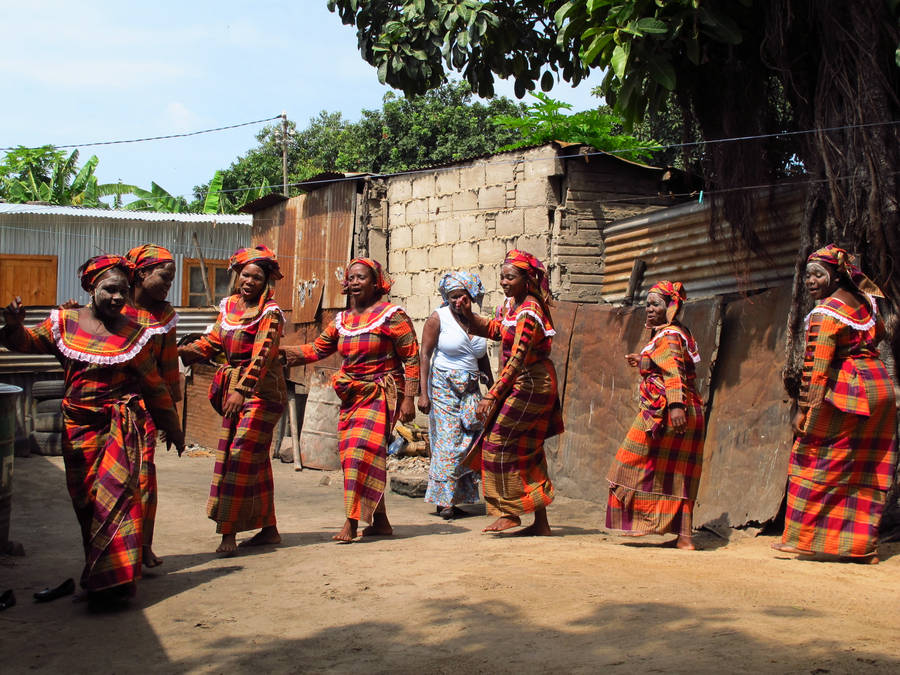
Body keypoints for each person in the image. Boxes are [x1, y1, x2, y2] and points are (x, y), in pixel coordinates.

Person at [0, 255, 184, 609]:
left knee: (114, 500)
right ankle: (97, 573)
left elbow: (154, 384)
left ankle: (113, 585)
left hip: (120, 426)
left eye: (124, 292)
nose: (118, 298)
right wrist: (12, 327)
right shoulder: (63, 323)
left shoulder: (135, 333)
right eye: (110, 290)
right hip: (77, 429)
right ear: (91, 288)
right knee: (86, 504)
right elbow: (23, 342)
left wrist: (173, 428)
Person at [774, 244, 897, 563]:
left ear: (837, 275)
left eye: (818, 274)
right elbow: (880, 335)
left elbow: (817, 366)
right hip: (879, 386)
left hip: (847, 391)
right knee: (864, 464)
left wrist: (804, 408)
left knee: (812, 456)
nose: (810, 281)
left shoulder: (825, 313)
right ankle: (862, 547)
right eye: (808, 275)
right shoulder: (866, 303)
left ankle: (802, 538)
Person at [282, 258, 419, 542]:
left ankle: (352, 521)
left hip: (382, 392)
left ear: (376, 282)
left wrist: (409, 400)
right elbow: (316, 349)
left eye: (361, 278)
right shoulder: (342, 321)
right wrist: (280, 353)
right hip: (352, 394)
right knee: (352, 455)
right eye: (351, 278)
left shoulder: (391, 315)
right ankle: (380, 520)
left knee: (359, 451)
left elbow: (412, 358)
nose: (355, 283)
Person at [178, 245, 287, 555]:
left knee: (237, 456)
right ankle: (269, 529)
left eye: (255, 277)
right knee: (255, 457)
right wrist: (181, 351)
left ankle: (228, 532)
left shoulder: (270, 313)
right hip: (234, 389)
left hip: (262, 393)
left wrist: (242, 390)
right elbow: (213, 342)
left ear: (266, 282)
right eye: (244, 276)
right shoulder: (228, 309)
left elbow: (263, 355)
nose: (248, 282)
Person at [457, 249, 563, 536]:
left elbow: (517, 357)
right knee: (528, 448)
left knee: (496, 443)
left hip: (531, 383)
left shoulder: (530, 311)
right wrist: (469, 315)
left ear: (526, 280)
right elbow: (497, 331)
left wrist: (492, 395)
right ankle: (540, 523)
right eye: (502, 276)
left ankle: (510, 512)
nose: (504, 282)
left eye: (510, 277)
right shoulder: (511, 305)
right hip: (521, 381)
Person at [605, 281, 705, 550]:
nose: (649, 309)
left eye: (656, 304)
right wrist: (644, 361)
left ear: (671, 307)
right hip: (685, 407)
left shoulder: (669, 335)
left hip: (666, 411)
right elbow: (672, 364)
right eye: (648, 304)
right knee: (678, 472)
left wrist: (675, 407)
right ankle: (684, 537)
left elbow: (674, 373)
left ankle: (645, 522)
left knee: (627, 462)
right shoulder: (675, 334)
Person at [417, 271, 493, 519]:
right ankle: (444, 502)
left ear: (471, 296)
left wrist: (491, 386)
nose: (457, 302)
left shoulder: (480, 321)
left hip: (471, 389)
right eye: (452, 298)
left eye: (461, 297)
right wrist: (423, 393)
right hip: (443, 386)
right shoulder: (438, 319)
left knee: (471, 439)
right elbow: (425, 355)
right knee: (448, 442)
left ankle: (462, 497)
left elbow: (482, 358)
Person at [123, 244, 179, 568]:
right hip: (112, 406)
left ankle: (143, 545)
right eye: (165, 277)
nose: (169, 284)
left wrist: (171, 420)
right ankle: (119, 551)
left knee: (144, 477)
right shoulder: (116, 308)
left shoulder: (165, 316)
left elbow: (169, 369)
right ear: (142, 274)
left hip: (146, 410)